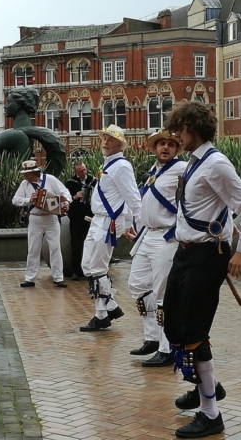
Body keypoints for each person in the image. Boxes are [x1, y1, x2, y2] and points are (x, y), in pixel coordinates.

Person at [162, 102, 241, 438]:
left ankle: (210, 413)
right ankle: (205, 383)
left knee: (193, 330)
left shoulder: (216, 164)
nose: (176, 135)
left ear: (194, 128)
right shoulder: (194, 163)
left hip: (207, 255)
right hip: (187, 252)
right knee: (172, 321)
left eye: (180, 129)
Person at [126, 130, 185, 367]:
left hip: (166, 237)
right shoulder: (154, 171)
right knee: (138, 285)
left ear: (176, 149)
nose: (166, 148)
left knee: (163, 294)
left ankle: (166, 346)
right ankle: (151, 336)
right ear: (155, 147)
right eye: (162, 143)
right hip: (147, 235)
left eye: (171, 144)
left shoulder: (182, 170)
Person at [79, 124, 141, 332]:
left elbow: (133, 198)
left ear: (119, 144)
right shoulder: (108, 165)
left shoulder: (121, 166)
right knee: (88, 265)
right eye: (104, 138)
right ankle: (109, 308)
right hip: (98, 220)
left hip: (108, 221)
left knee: (96, 267)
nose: (105, 142)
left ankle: (103, 314)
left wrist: (136, 226)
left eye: (110, 139)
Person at [12, 160, 72, 288]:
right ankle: (30, 278)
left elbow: (65, 192)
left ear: (33, 172)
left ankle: (58, 278)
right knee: (33, 249)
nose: (24, 176)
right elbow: (15, 200)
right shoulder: (24, 184)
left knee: (55, 248)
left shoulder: (50, 179)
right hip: (35, 219)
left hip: (51, 218)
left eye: (26, 173)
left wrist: (66, 201)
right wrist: (29, 200)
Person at [65, 161, 95, 280]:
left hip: (89, 217)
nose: (83, 173)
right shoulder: (70, 183)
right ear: (75, 172)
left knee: (91, 244)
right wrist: (75, 197)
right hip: (76, 218)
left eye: (84, 170)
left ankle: (90, 270)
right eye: (80, 171)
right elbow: (65, 199)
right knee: (76, 245)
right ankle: (76, 270)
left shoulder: (93, 181)